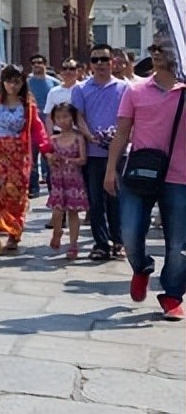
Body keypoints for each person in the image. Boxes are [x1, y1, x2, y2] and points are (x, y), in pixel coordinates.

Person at [105, 40, 186, 319]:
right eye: (152, 50)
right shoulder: (136, 90)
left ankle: (173, 294)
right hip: (140, 173)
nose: (156, 54)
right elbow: (122, 133)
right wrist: (110, 171)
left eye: (162, 50)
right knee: (129, 233)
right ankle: (141, 267)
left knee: (178, 243)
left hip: (180, 176)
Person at [0, 64, 52, 255]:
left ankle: (14, 234)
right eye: (9, 81)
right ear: (3, 82)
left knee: (16, 197)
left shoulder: (28, 104)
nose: (13, 85)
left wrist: (46, 149)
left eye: (17, 81)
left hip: (19, 156)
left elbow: (37, 129)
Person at [72, 44, 130, 261]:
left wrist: (121, 137)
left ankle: (119, 242)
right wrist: (90, 136)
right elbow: (79, 117)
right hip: (94, 152)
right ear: (90, 64)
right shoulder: (81, 89)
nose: (100, 64)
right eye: (95, 60)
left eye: (104, 60)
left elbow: (129, 119)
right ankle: (101, 243)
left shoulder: (124, 88)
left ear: (112, 62)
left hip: (119, 151)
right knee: (95, 200)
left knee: (117, 198)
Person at [46, 103, 88, 260]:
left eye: (65, 116)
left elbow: (83, 159)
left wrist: (70, 160)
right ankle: (57, 231)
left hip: (74, 179)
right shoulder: (53, 139)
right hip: (58, 179)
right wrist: (52, 159)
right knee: (57, 211)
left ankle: (73, 244)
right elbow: (49, 158)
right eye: (58, 117)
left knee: (73, 212)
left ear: (72, 118)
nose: (62, 120)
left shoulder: (78, 138)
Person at [26, 54, 60, 198]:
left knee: (49, 159)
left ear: (45, 64)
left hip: (49, 125)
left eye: (40, 62)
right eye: (34, 63)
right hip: (31, 126)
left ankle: (53, 188)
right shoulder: (26, 82)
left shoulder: (54, 83)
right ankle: (33, 188)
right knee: (31, 158)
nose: (37, 65)